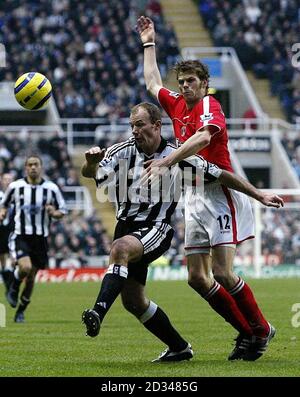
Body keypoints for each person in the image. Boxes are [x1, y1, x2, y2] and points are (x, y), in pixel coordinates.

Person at [81, 102, 283, 362]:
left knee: (120, 248)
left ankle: (97, 312)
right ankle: (179, 347)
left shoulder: (177, 157)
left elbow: (221, 174)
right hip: (126, 227)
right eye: (132, 126)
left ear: (156, 125)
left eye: (140, 125)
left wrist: (258, 194)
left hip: (157, 228)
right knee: (133, 301)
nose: (134, 131)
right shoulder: (122, 151)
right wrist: (91, 163)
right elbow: (91, 173)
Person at [137, 16, 282, 361]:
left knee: (221, 272)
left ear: (204, 84)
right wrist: (148, 42)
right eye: (183, 81)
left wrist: (167, 161)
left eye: (191, 81)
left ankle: (260, 330)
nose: (185, 86)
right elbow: (152, 80)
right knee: (197, 279)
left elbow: (203, 138)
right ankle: (247, 332)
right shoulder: (176, 104)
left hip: (221, 194)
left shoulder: (209, 107)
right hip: (194, 197)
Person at [0, 155, 67, 323]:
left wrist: (54, 212)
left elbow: (63, 210)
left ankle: (21, 311)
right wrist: (2, 212)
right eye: (30, 165)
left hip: (40, 238)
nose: (33, 168)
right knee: (25, 267)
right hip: (20, 235)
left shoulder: (51, 188)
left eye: (36, 164)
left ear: (41, 167)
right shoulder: (16, 187)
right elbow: (4, 204)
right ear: (25, 168)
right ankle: (14, 287)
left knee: (31, 278)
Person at [0, 173, 15, 294]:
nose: (7, 182)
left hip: (15, 228)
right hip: (1, 229)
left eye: (10, 179)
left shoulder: (17, 195)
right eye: (5, 179)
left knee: (15, 256)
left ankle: (11, 279)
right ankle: (7, 279)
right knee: (3, 257)